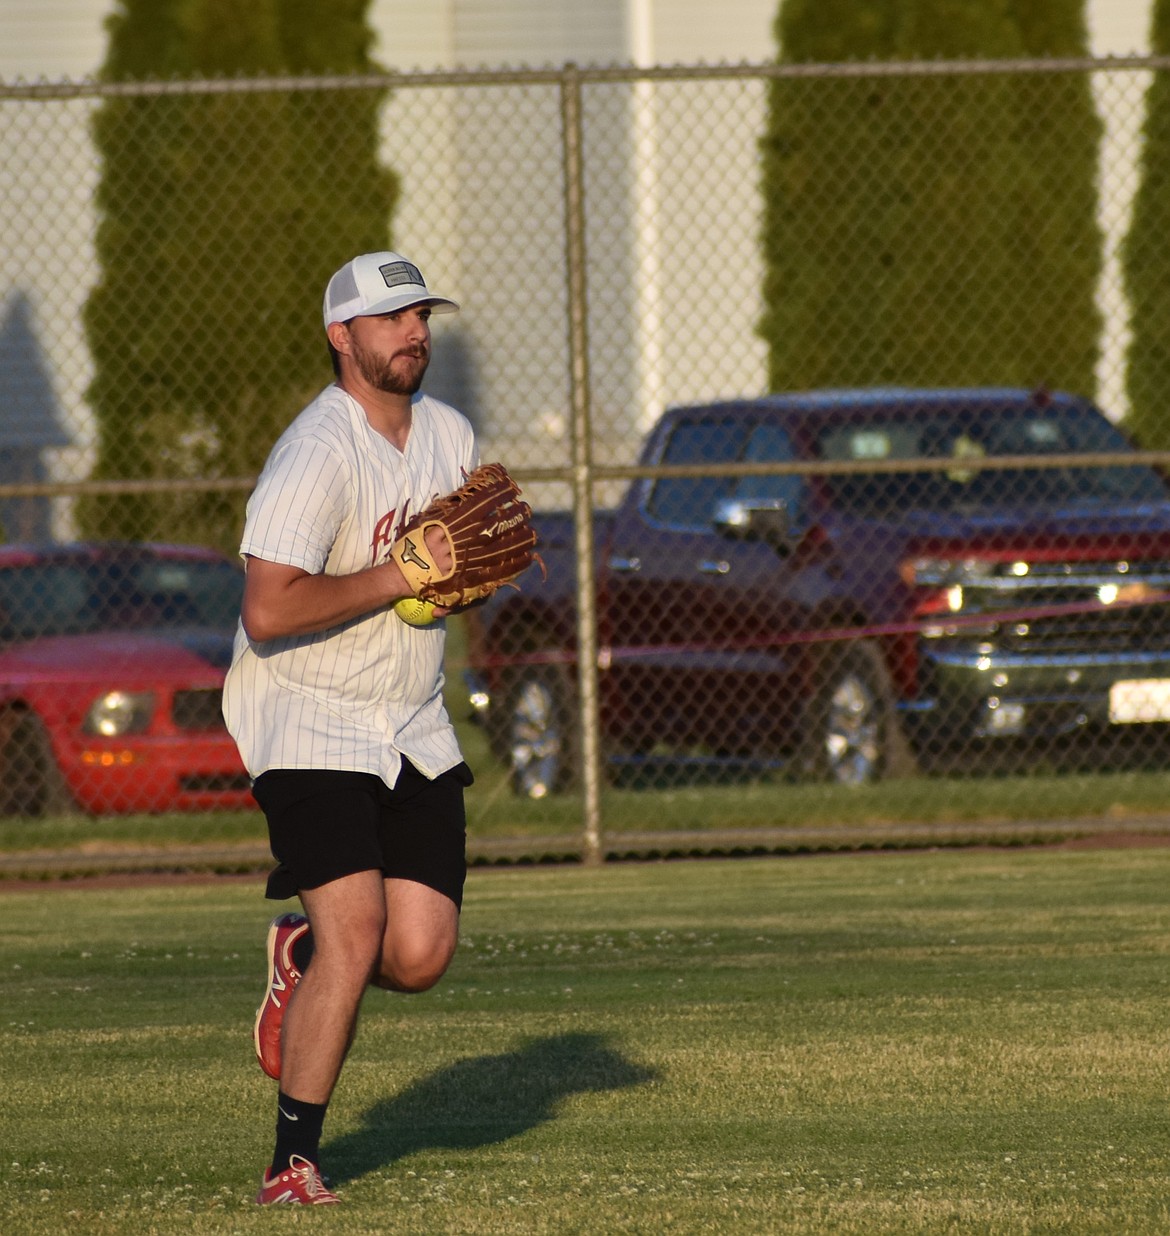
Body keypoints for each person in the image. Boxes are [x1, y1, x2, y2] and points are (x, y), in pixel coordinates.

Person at [222, 251, 477, 1206]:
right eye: (390, 319)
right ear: (342, 336)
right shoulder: (317, 450)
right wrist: (395, 578)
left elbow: (467, 555)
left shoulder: (448, 434)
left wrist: (472, 570)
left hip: (409, 717)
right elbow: (268, 611)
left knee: (418, 954)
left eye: (421, 316)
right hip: (306, 717)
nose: (414, 332)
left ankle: (301, 955)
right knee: (360, 926)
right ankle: (293, 1162)